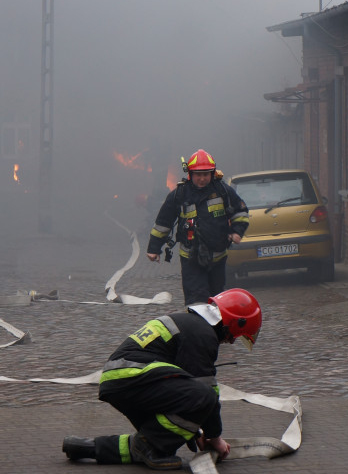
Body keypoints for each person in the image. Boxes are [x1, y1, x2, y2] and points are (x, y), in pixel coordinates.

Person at [63, 288, 262, 470]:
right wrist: (215, 437)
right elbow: (205, 391)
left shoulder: (191, 324)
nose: (232, 340)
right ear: (235, 322)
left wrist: (196, 432)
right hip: (133, 377)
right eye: (236, 335)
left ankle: (85, 447)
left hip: (122, 379)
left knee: (153, 439)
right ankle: (150, 446)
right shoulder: (202, 333)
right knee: (204, 396)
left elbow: (183, 390)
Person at [146, 149, 250, 306]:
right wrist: (154, 248)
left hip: (218, 259)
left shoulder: (223, 191)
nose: (202, 179)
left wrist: (237, 231)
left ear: (212, 173)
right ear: (190, 174)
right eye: (198, 175)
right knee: (196, 300)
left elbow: (240, 212)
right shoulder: (179, 195)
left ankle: (215, 329)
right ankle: (198, 328)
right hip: (191, 260)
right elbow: (163, 223)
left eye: (206, 174)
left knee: (217, 301)